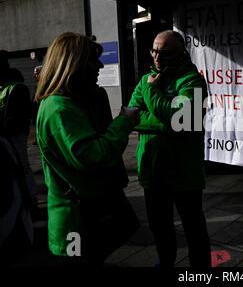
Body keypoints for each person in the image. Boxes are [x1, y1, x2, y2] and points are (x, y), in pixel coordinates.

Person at [35, 32, 140, 266]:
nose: (101, 66)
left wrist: (99, 98)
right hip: (77, 222)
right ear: (74, 64)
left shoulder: (79, 100)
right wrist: (124, 120)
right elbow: (95, 156)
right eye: (94, 60)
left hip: (91, 213)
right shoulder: (58, 109)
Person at [128, 30, 211, 267]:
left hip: (184, 173)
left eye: (164, 53)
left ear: (181, 53)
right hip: (153, 171)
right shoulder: (146, 79)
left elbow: (184, 120)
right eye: (154, 50)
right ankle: (165, 263)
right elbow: (131, 115)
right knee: (160, 228)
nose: (156, 57)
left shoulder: (193, 81)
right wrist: (167, 121)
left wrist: (153, 95)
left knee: (194, 229)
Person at [0, 50, 38, 216]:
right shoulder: (3, 85)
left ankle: (31, 203)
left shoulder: (17, 87)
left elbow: (18, 117)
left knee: (22, 167)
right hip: (5, 135)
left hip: (15, 135)